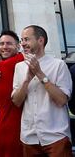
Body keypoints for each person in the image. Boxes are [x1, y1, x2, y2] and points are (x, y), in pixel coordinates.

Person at [12, 25, 72, 156]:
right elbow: (16, 102)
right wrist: (26, 81)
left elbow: (62, 100)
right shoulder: (19, 67)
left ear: (41, 40)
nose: (23, 43)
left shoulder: (58, 65)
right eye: (22, 40)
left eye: (27, 39)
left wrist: (40, 74)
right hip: (29, 137)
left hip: (56, 136)